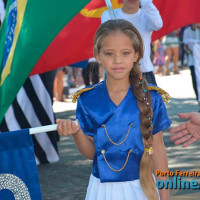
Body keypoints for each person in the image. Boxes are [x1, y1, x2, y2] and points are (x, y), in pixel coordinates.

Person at [57, 20, 171, 200]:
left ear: (136, 54)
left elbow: (158, 150)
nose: (118, 60)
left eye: (125, 53)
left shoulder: (152, 98)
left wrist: (164, 197)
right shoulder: (87, 99)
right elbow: (91, 153)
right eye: (109, 54)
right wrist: (77, 133)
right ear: (98, 56)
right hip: (102, 190)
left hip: (143, 187)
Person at [101, 0, 163, 85]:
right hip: (117, 72)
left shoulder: (146, 16)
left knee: (148, 98)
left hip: (143, 73)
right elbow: (106, 38)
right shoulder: (109, 14)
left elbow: (158, 24)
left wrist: (146, 3)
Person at [183, 23, 200, 104]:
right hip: (193, 61)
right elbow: (185, 45)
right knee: (195, 81)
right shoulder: (187, 31)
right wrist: (191, 52)